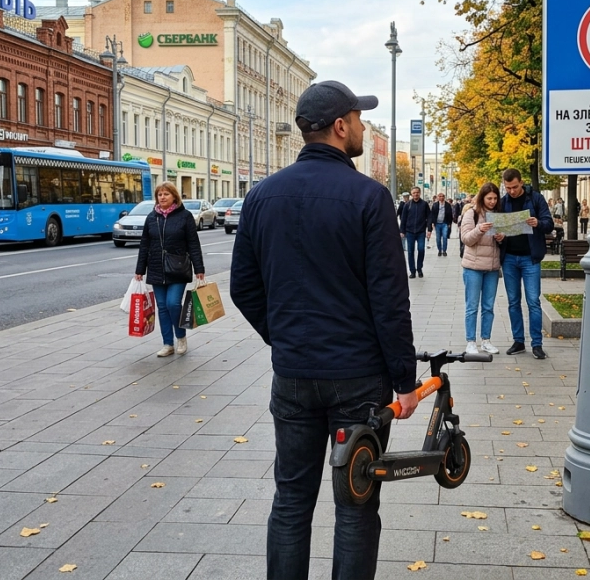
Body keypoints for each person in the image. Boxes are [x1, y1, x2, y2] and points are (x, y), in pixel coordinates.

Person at [229, 80, 418, 580]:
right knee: (355, 505)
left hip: (292, 375)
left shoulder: (261, 196)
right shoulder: (369, 197)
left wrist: (285, 337)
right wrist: (405, 380)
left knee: (291, 499)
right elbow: (389, 300)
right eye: (357, 119)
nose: (360, 127)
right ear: (340, 127)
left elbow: (244, 289)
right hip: (359, 378)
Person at [134, 182, 205, 358]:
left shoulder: (185, 216)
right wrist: (140, 269)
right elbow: (144, 245)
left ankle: (180, 337)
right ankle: (167, 344)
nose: (162, 197)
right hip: (157, 267)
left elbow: (193, 244)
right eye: (160, 194)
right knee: (162, 307)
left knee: (173, 304)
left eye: (166, 194)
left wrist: (199, 268)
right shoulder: (152, 217)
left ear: (174, 196)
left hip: (178, 267)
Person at [496, 168, 554, 359]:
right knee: (513, 302)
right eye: (507, 188)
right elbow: (498, 227)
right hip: (510, 258)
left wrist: (537, 222)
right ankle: (518, 341)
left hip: (530, 257)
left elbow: (549, 223)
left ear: (521, 182)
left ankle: (537, 344)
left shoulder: (535, 199)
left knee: (533, 302)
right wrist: (499, 236)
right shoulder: (503, 202)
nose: (511, 191)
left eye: (514, 187)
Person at [460, 183, 502, 356]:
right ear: (482, 197)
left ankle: (486, 340)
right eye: (489, 198)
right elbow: (466, 239)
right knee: (472, 306)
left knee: (488, 306)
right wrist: (479, 229)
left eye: (495, 198)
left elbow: (502, 240)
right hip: (473, 267)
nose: (492, 201)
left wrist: (501, 237)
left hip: (492, 267)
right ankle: (471, 342)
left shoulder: (499, 215)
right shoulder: (472, 213)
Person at [400, 187, 433, 277]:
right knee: (410, 251)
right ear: (411, 194)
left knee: (421, 249)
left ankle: (419, 268)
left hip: (421, 231)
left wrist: (429, 229)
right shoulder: (408, 205)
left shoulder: (424, 204)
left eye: (417, 192)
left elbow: (429, 217)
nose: (416, 194)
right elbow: (403, 218)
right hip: (409, 231)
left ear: (420, 193)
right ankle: (412, 271)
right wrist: (402, 231)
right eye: (414, 193)